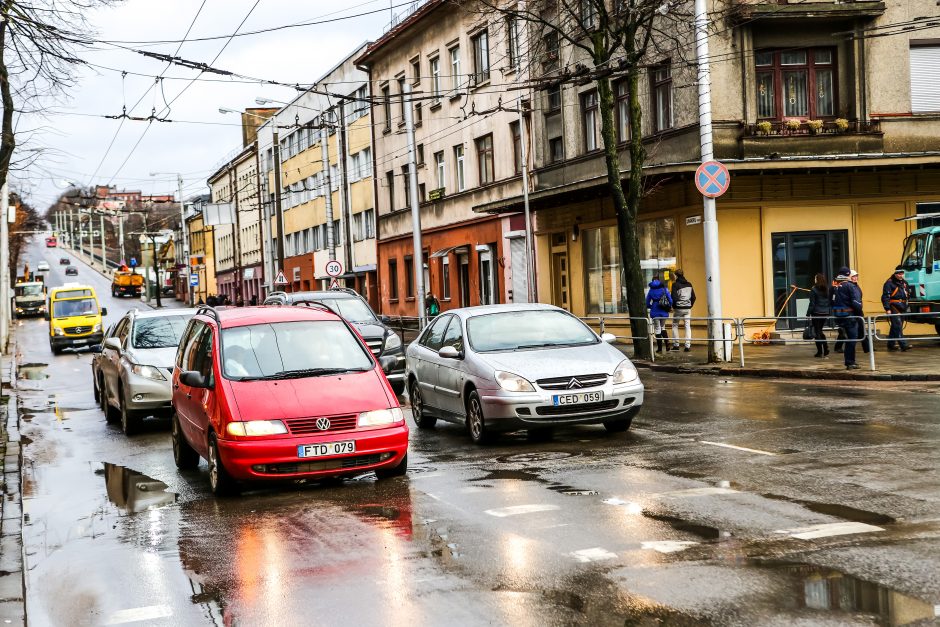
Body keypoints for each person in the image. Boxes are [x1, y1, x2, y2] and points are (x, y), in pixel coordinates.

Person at [831, 266, 863, 369]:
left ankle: (842, 330)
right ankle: (850, 362)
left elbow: (831, 301)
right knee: (852, 339)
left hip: (838, 316)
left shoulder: (834, 287)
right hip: (850, 316)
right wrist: (859, 313)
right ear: (847, 275)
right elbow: (856, 302)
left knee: (850, 339)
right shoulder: (850, 286)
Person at [881, 265, 911, 351]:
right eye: (899, 273)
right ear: (895, 273)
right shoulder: (889, 283)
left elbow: (908, 295)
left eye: (902, 273)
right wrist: (887, 309)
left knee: (896, 326)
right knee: (897, 325)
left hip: (903, 306)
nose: (900, 275)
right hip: (894, 306)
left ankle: (891, 344)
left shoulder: (905, 283)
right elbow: (885, 297)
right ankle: (903, 345)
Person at [670, 269, 696, 352]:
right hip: (687, 308)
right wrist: (689, 305)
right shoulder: (689, 284)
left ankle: (676, 345)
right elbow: (694, 297)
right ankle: (687, 346)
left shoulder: (675, 285)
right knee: (687, 326)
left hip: (678, 308)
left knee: (675, 325)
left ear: (676, 275)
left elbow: (674, 297)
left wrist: (674, 307)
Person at [646, 276, 673, 353]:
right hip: (663, 310)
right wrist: (669, 306)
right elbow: (670, 300)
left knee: (657, 329)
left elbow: (647, 302)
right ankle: (667, 345)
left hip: (655, 310)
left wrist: (651, 306)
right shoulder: (664, 289)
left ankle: (660, 348)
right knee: (663, 327)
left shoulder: (651, 290)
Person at [807, 273, 831, 358]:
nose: (814, 280)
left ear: (817, 279)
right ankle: (825, 348)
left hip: (816, 313)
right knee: (820, 330)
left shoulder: (814, 289)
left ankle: (820, 351)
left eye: (815, 278)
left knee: (817, 332)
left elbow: (812, 303)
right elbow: (829, 301)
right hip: (825, 313)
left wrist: (808, 313)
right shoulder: (826, 289)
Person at [850, 270, 873, 353]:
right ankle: (865, 348)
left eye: (856, 276)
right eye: (853, 276)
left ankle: (867, 347)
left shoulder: (856, 286)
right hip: (853, 311)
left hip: (859, 311)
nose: (855, 278)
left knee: (861, 330)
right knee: (854, 332)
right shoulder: (850, 286)